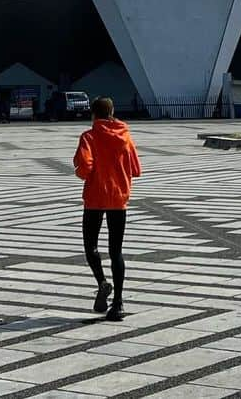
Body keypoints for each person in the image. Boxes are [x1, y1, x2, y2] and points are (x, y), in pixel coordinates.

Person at [74, 96, 142, 321]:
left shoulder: (89, 137)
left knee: (90, 246)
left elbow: (84, 167)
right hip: (119, 198)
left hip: (95, 198)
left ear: (93, 114)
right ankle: (119, 303)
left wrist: (82, 173)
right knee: (116, 251)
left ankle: (103, 282)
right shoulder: (125, 135)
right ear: (112, 112)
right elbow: (135, 168)